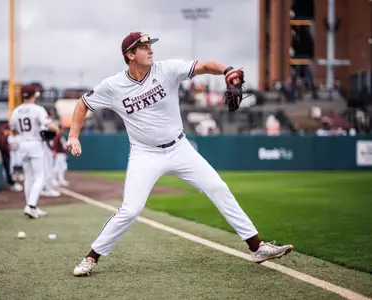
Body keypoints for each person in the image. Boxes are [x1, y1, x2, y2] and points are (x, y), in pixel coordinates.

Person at [67, 32, 294, 277]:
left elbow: (205, 66)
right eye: (143, 47)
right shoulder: (113, 86)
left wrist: (227, 69)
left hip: (179, 148)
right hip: (145, 154)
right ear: (130, 55)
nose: (150, 50)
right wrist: (73, 135)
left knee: (218, 187)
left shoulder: (167, 69)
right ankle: (91, 258)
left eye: (149, 45)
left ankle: (256, 247)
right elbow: (82, 103)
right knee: (131, 209)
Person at [9, 85, 59, 219]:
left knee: (29, 177)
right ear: (34, 95)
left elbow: (13, 129)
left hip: (22, 143)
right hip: (35, 143)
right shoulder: (37, 109)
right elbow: (50, 126)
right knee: (40, 176)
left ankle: (32, 206)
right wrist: (56, 130)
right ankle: (31, 206)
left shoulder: (16, 110)